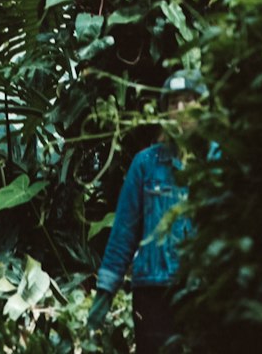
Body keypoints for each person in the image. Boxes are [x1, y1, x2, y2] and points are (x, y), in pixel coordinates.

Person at [86, 70, 208, 352]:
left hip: (202, 292)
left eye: (188, 101)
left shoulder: (215, 159)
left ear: (202, 107)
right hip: (153, 296)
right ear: (164, 111)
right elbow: (123, 234)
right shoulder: (145, 164)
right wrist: (103, 296)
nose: (180, 109)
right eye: (173, 103)